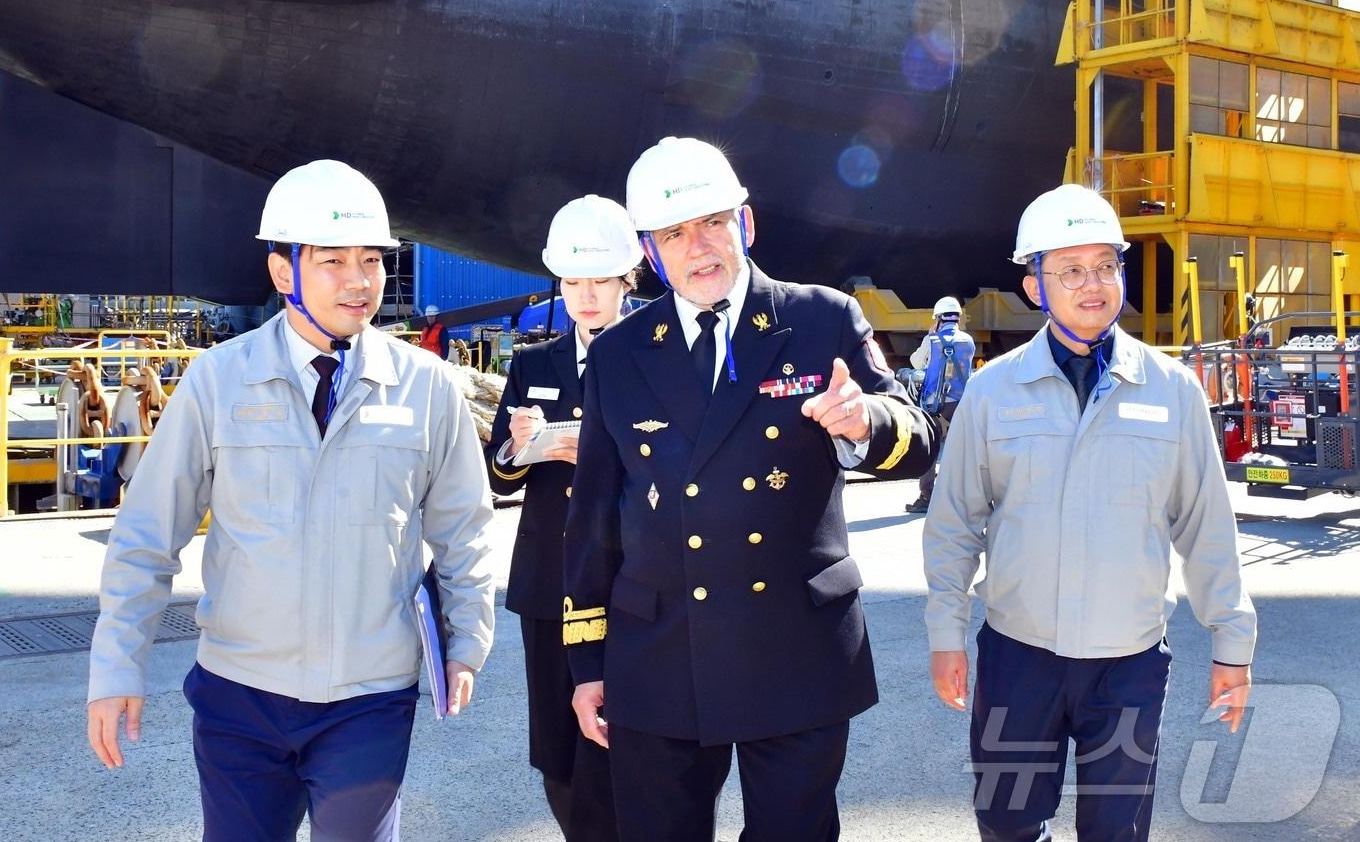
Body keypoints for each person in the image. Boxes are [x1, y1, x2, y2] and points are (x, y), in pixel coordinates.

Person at [86, 160, 496, 842]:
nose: (360, 280)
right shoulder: (219, 381)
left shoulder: (425, 388)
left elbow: (465, 530)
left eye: (372, 259)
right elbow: (147, 533)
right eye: (333, 260)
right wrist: (115, 666)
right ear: (284, 273)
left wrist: (467, 642)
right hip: (239, 699)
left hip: (369, 699)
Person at [564, 137, 939, 841]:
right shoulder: (617, 354)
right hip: (658, 653)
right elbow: (592, 522)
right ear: (649, 251)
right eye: (674, 233)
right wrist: (587, 662)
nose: (699, 247)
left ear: (747, 222)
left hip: (792, 646)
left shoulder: (820, 318)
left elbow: (917, 439)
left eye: (713, 222)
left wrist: (864, 422)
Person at [923, 183, 1257, 842]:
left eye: (1106, 265)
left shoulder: (1172, 392)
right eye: (1070, 270)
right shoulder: (993, 392)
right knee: (1007, 820)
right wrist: (945, 630)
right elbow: (955, 521)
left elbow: (1206, 527)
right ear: (1033, 286)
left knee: (1117, 829)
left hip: (1127, 662)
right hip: (1018, 658)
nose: (1093, 284)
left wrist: (1232, 643)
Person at [485, 194, 641, 842]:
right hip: (551, 580)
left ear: (627, 281)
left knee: (629, 738)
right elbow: (497, 473)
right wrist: (519, 448)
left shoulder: (657, 358)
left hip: (635, 580)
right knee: (557, 744)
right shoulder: (532, 364)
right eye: (573, 282)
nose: (585, 295)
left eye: (599, 281)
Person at [907, 296, 977, 512]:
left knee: (930, 448)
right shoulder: (968, 341)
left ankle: (927, 497)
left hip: (933, 404)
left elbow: (916, 363)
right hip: (960, 403)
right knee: (960, 451)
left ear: (938, 318)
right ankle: (961, 499)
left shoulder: (933, 340)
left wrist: (929, 338)